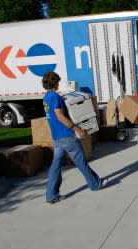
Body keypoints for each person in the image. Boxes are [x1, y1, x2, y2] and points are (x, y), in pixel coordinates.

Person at [42, 72, 108, 204]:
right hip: (66, 135)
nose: (59, 84)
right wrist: (77, 129)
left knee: (55, 166)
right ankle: (96, 184)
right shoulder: (55, 97)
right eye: (58, 82)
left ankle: (51, 195)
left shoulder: (46, 98)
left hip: (57, 137)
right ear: (55, 82)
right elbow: (60, 116)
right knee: (81, 162)